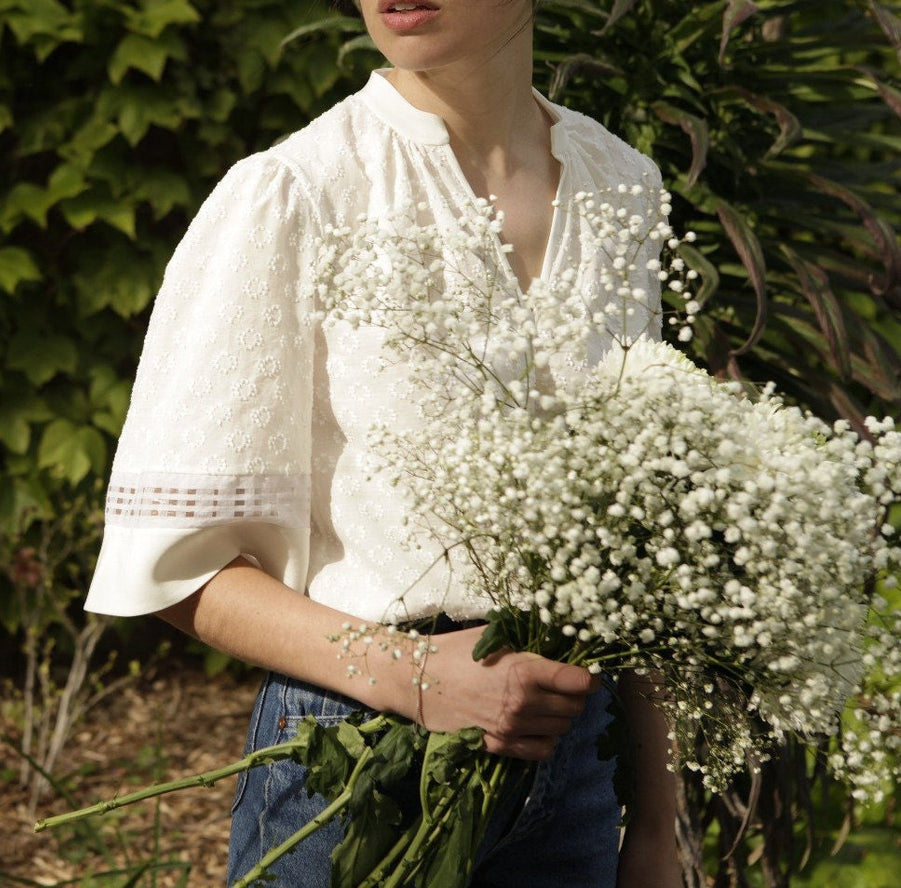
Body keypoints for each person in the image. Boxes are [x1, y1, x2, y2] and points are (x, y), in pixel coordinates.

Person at [84, 1, 685, 885]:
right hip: (355, 773)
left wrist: (656, 829)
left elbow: (641, 541)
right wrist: (413, 675)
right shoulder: (297, 190)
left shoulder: (620, 185)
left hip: (576, 773)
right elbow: (174, 570)